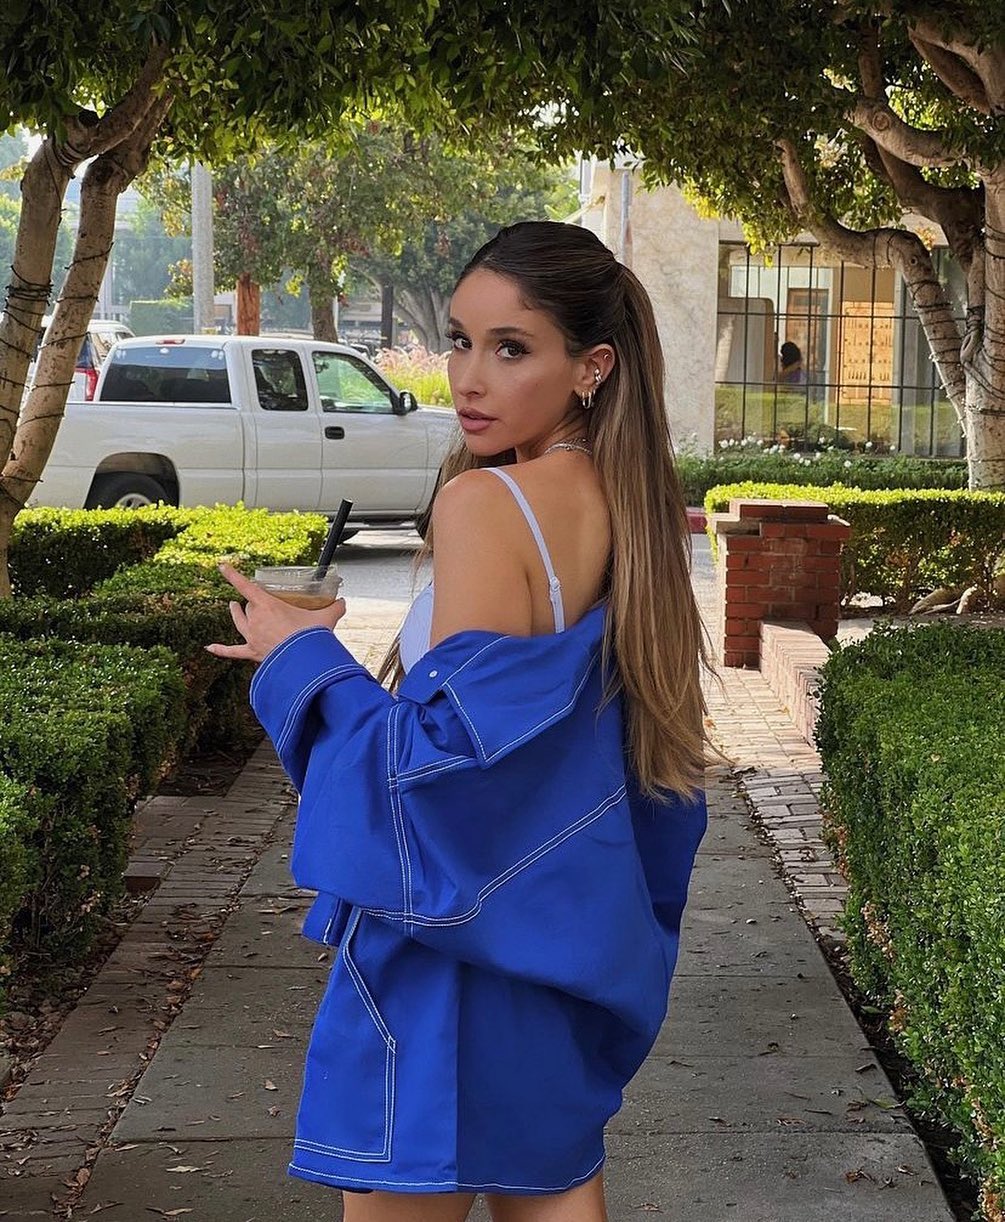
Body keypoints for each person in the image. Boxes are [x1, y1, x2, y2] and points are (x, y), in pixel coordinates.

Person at [208, 221, 711, 1222]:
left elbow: (441, 772)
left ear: (592, 367)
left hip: (447, 958)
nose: (468, 379)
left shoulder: (487, 503)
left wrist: (298, 659)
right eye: (458, 340)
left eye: (510, 348)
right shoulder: (631, 506)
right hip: (556, 947)